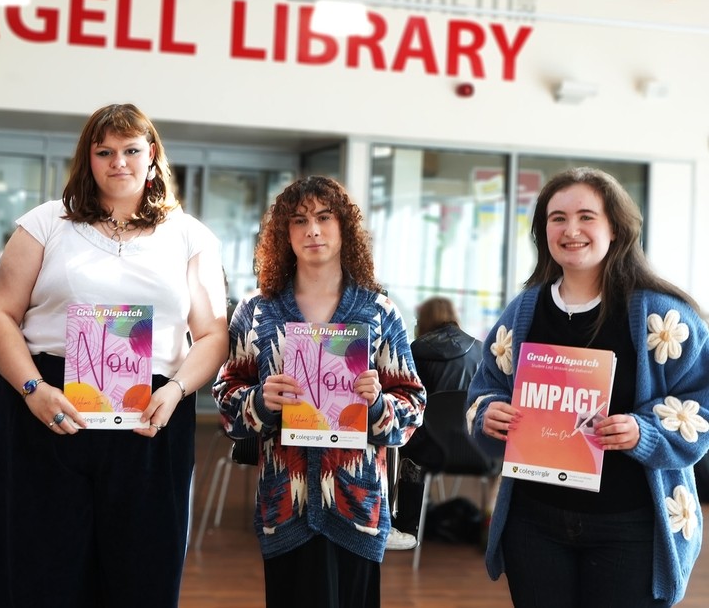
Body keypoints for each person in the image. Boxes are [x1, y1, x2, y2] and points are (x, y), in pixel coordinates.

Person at [0, 103, 229, 608]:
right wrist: (32, 389)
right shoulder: (46, 222)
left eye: (131, 150)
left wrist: (177, 391)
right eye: (105, 152)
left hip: (152, 414)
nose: (119, 162)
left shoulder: (190, 235)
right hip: (48, 408)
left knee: (142, 573)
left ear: (151, 154)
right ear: (87, 159)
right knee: (40, 571)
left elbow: (212, 335)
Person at [466, 167, 709, 607]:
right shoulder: (524, 310)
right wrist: (490, 413)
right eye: (557, 218)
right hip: (533, 522)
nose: (571, 230)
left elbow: (703, 405)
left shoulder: (665, 319)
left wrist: (644, 431)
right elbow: (487, 387)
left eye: (586, 217)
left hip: (631, 525)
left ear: (615, 227)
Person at [212, 175, 426, 608]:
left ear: (344, 227)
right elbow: (226, 400)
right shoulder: (257, 312)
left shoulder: (378, 312)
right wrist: (259, 401)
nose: (312, 230)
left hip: (356, 506)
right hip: (284, 505)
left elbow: (413, 406)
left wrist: (377, 404)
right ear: (284, 233)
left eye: (324, 218)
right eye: (299, 220)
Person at [390, 296, 483, 545]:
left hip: (428, 451)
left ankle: (408, 526)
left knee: (397, 436)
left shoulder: (413, 351)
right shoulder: (481, 350)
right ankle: (483, 528)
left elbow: (407, 405)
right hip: (477, 451)